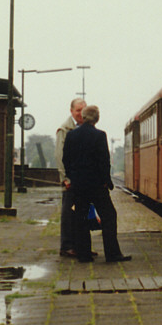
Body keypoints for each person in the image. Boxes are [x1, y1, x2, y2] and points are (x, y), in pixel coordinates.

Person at [62, 105, 130, 263]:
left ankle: (84, 255)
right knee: (109, 217)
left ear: (84, 117)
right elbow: (104, 161)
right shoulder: (99, 135)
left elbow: (66, 160)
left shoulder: (71, 135)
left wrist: (73, 178)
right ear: (97, 118)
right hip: (97, 186)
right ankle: (112, 254)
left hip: (79, 185)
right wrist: (106, 181)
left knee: (81, 218)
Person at [55, 97, 87, 257]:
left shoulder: (85, 128)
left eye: (83, 110)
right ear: (71, 111)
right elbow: (59, 156)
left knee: (81, 213)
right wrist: (65, 178)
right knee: (69, 213)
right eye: (78, 110)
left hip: (82, 179)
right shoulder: (64, 130)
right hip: (70, 180)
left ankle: (81, 246)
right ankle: (66, 246)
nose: (81, 113)